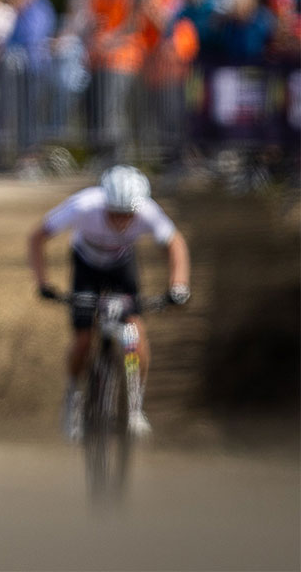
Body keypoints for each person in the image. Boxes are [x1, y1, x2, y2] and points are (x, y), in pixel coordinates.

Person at [27, 165, 191, 441]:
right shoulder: (83, 205)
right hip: (85, 264)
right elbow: (37, 237)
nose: (122, 222)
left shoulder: (148, 211)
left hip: (121, 265)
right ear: (104, 203)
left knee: (135, 339)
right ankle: (73, 398)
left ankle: (135, 406)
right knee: (82, 338)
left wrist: (178, 286)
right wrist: (43, 283)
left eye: (128, 215)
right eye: (115, 213)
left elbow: (175, 244)